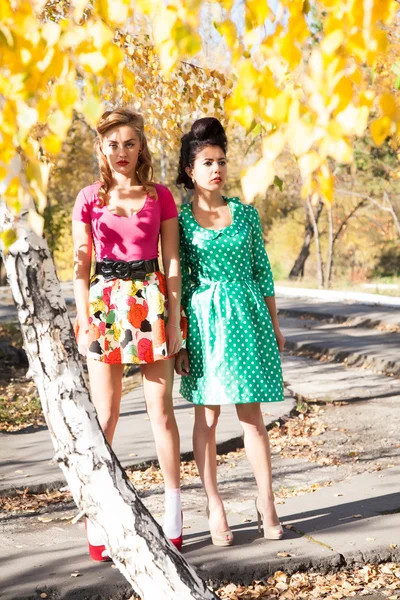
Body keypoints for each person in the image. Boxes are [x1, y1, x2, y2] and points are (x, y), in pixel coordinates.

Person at [72, 108, 186, 559]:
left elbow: (172, 263)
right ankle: (100, 514)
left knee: (161, 411)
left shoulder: (160, 196)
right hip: (105, 307)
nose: (121, 152)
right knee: (107, 415)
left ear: (141, 147)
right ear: (101, 148)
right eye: (113, 144)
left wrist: (176, 319)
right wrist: (83, 318)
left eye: (130, 143)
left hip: (153, 303)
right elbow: (81, 265)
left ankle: (174, 512)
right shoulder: (87, 197)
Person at [175, 117, 285, 547]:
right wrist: (178, 337)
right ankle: (215, 504)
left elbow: (263, 272)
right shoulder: (180, 222)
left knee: (252, 417)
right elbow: (177, 280)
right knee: (207, 414)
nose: (216, 169)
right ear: (190, 169)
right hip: (203, 323)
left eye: (221, 161)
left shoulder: (246, 215)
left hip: (248, 319)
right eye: (207, 162)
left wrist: (275, 323)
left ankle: (267, 502)